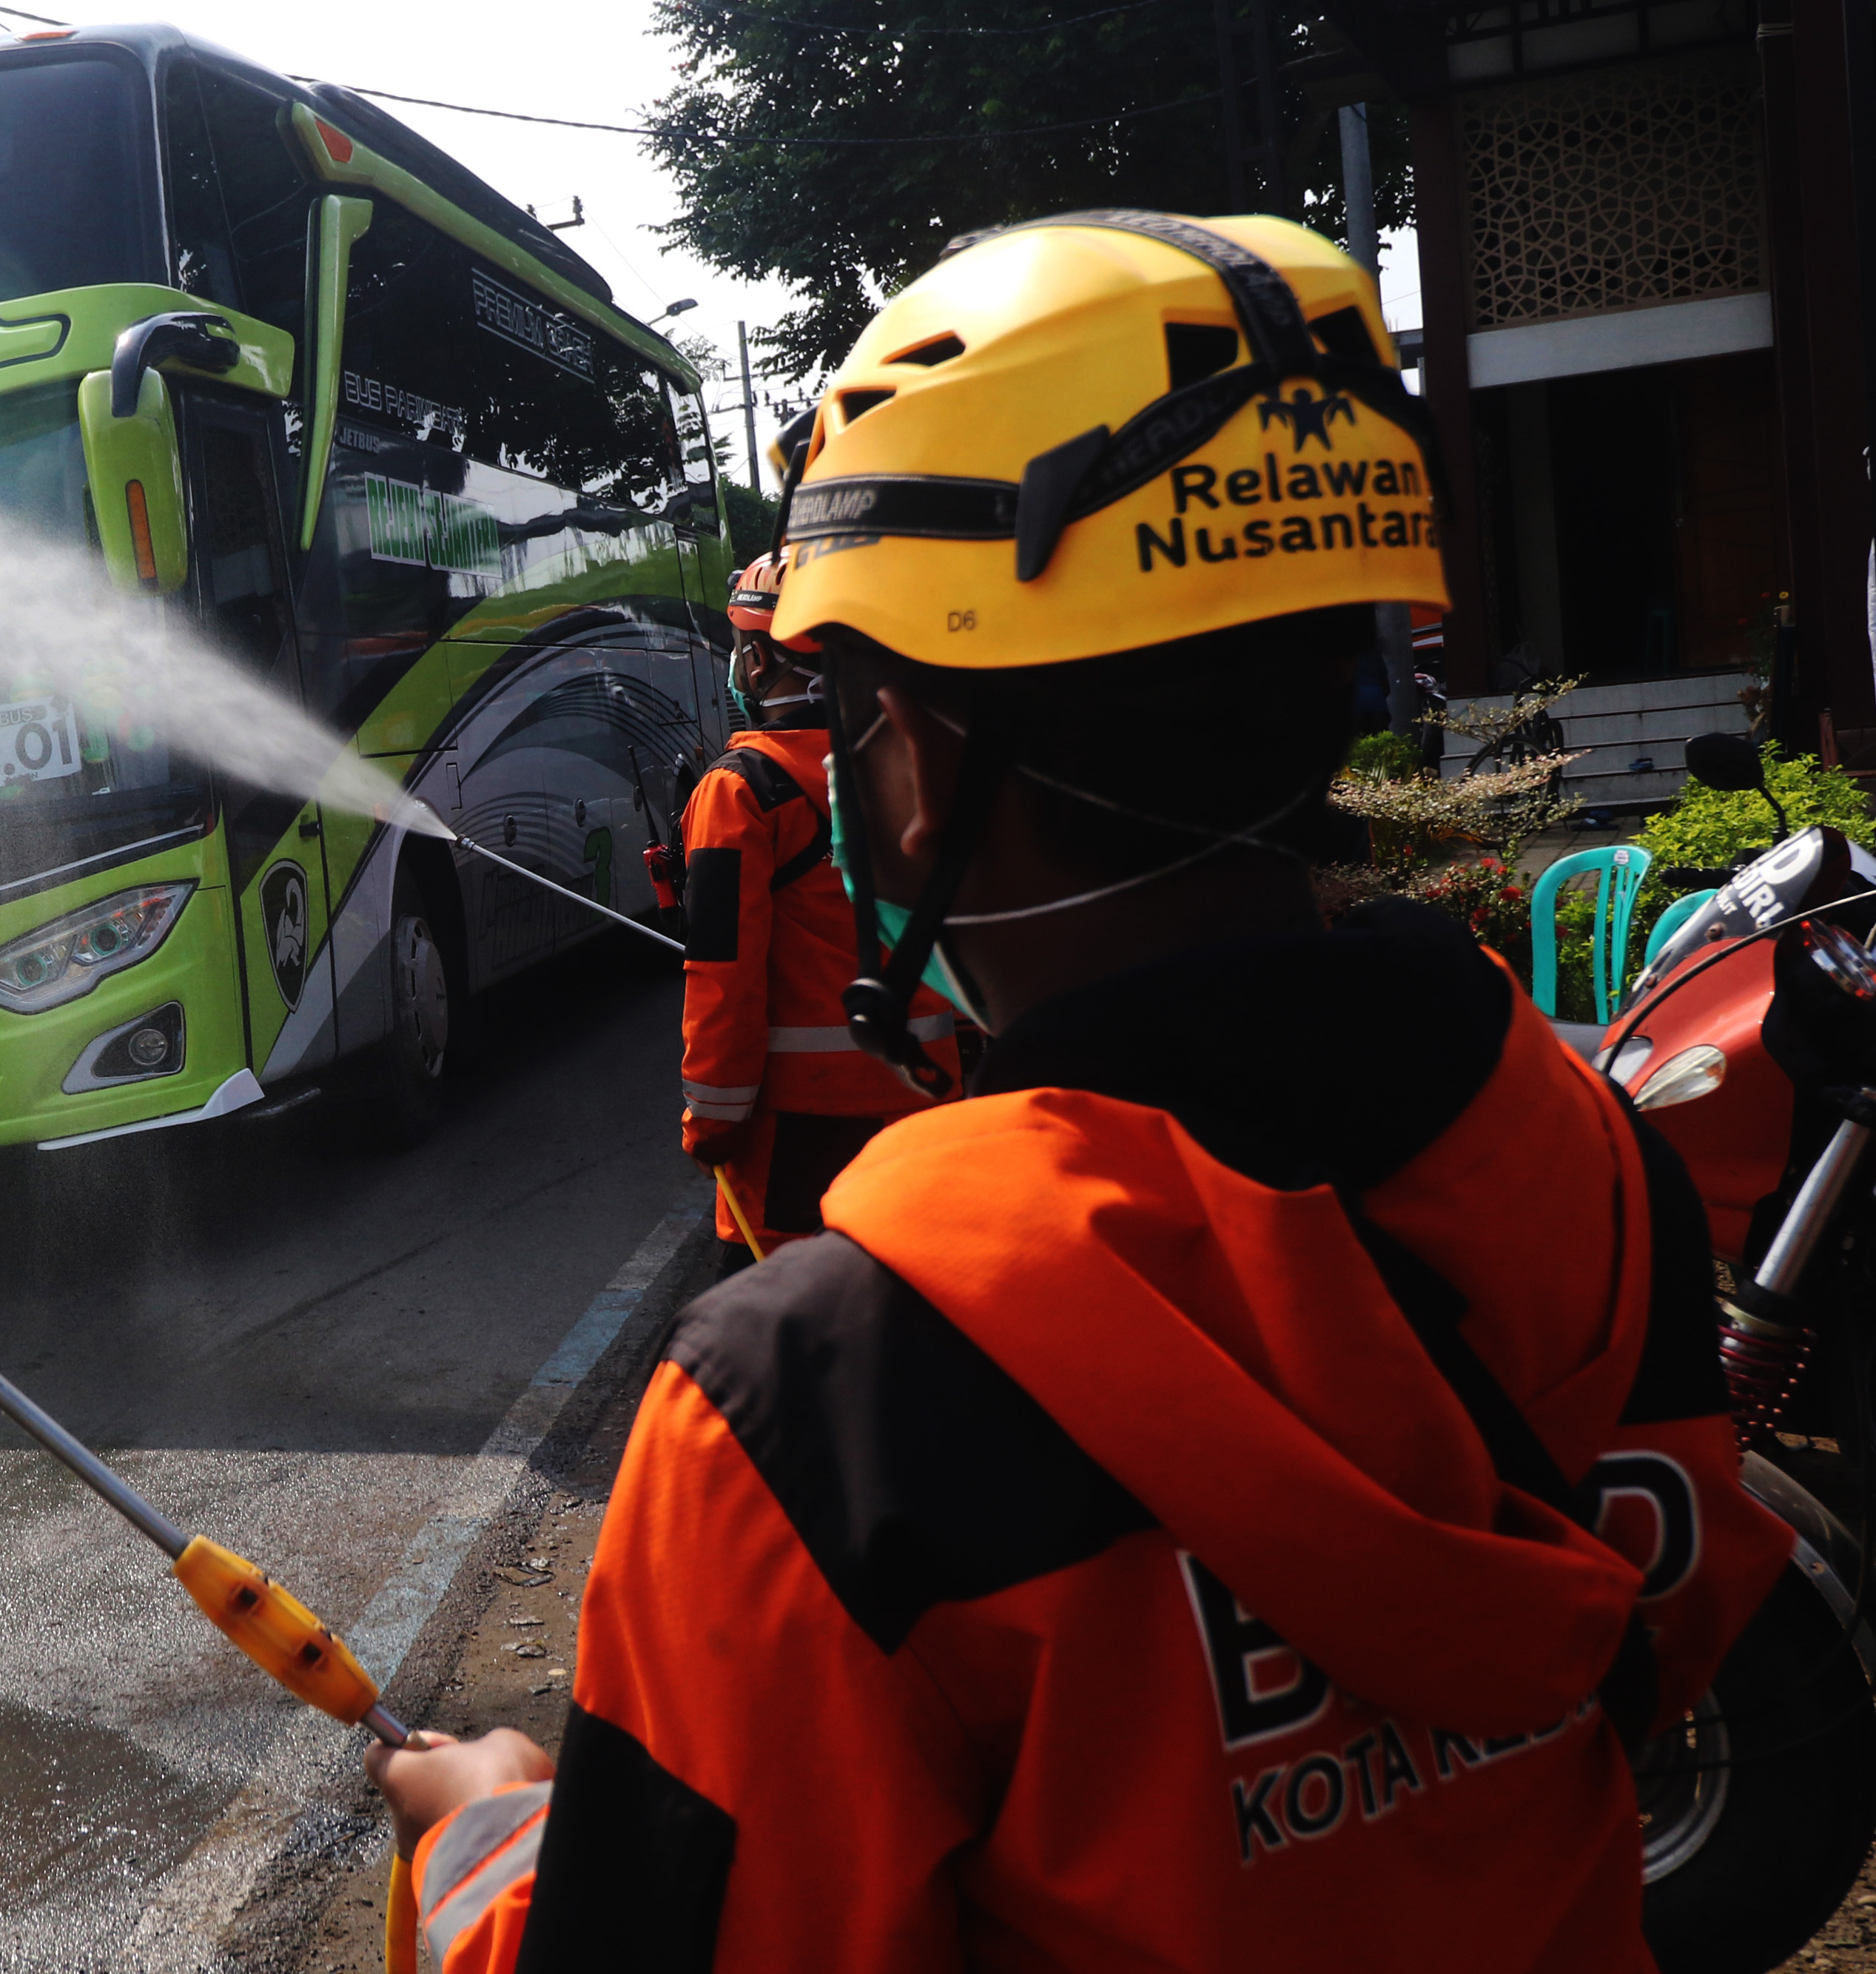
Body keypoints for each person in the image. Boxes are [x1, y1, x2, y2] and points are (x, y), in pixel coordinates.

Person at [368, 211, 1789, 1973]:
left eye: (862, 701)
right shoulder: (1576, 1142)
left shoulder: (812, 1410)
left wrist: (491, 1842)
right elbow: (1685, 1621)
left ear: (921, 765)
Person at [679, 551, 959, 1273]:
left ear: (756, 656)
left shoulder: (740, 791)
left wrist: (711, 1122)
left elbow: (721, 973)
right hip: (930, 1112)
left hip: (798, 1141)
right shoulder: (914, 762)